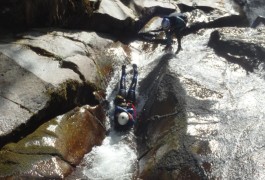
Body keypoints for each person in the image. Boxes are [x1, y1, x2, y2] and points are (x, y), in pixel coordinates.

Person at [113, 64, 138, 131]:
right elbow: (132, 111)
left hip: (121, 103)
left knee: (122, 88)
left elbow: (117, 108)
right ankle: (135, 73)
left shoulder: (116, 120)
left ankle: (123, 71)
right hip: (130, 103)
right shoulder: (130, 122)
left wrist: (125, 111)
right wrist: (129, 114)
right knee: (132, 89)